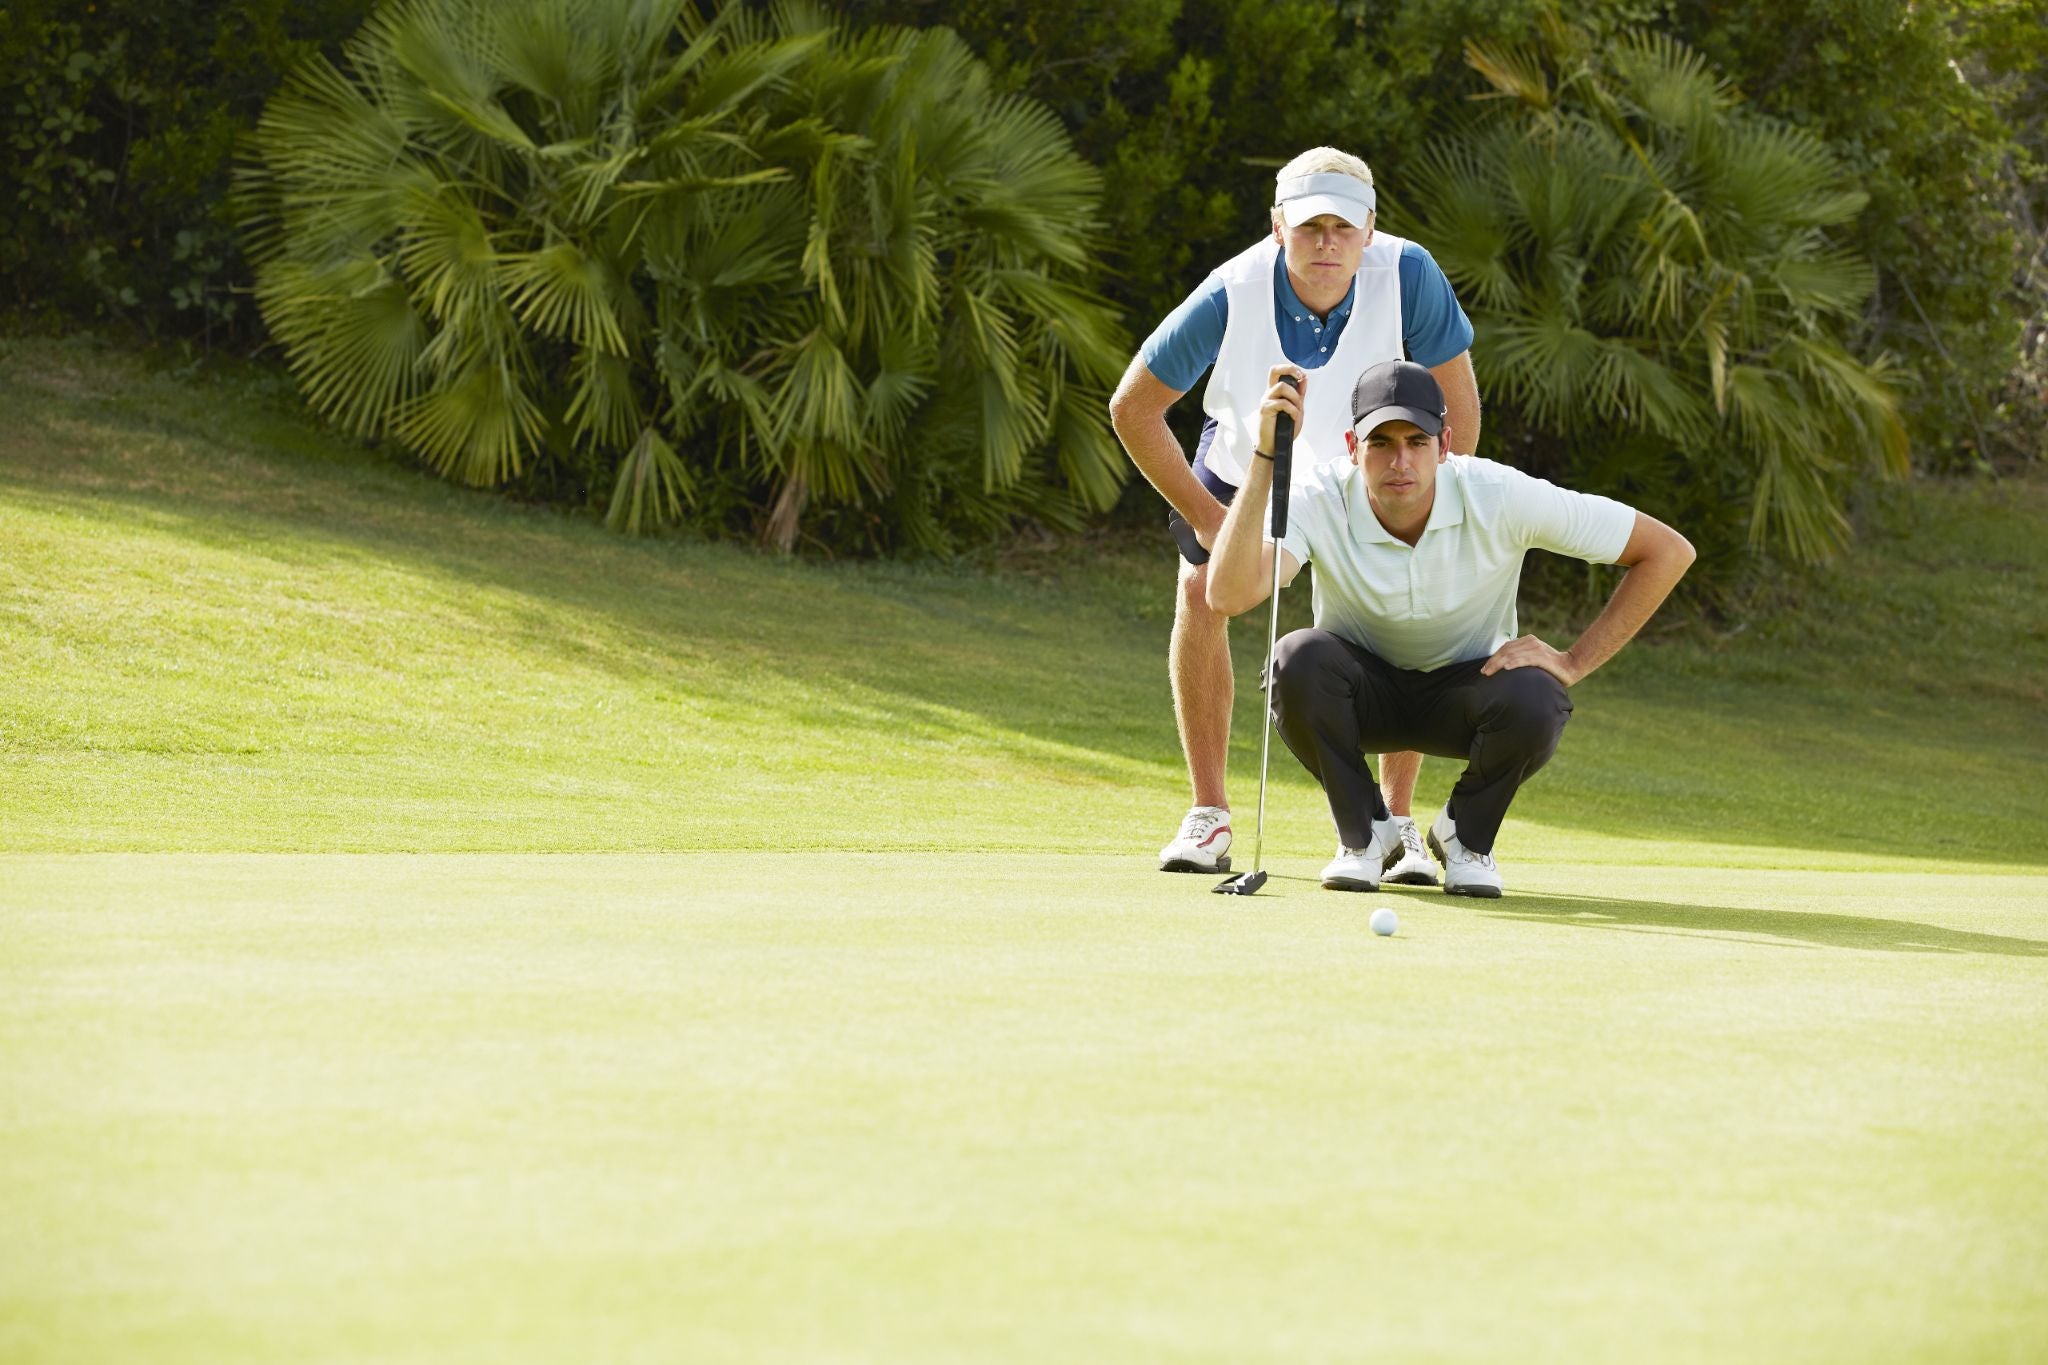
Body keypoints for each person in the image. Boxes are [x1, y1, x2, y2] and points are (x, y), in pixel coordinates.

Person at [1109, 146, 1480, 882]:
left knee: (1406, 599)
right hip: (1252, 456)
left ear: (1369, 229)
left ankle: (1396, 821)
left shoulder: (1410, 275)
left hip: (1363, 465)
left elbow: (1458, 414)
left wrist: (1423, 512)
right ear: (1278, 226)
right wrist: (1207, 519)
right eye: (1309, 227)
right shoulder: (1232, 290)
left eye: (1342, 228)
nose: (1326, 243)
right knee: (1197, 588)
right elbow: (1134, 407)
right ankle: (1209, 814)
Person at [1204, 359, 1696, 896]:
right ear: (1351, 446)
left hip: (1467, 696)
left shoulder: (1501, 494)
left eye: (1418, 441)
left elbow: (1667, 551)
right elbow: (1228, 595)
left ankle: (1466, 836)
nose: (1400, 461)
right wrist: (1264, 460)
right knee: (1296, 658)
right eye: (1381, 443)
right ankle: (1365, 834)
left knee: (1539, 693)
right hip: (1361, 697)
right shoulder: (1320, 497)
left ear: (1446, 445)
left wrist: (1573, 662)